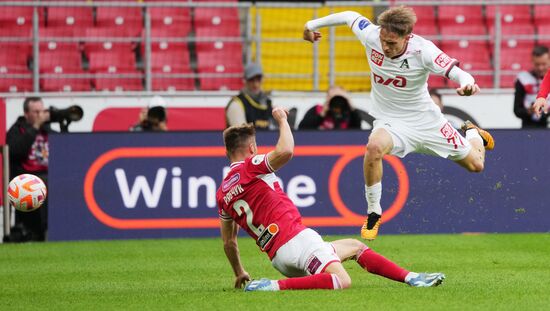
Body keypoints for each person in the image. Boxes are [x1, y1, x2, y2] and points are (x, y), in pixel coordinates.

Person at [303, 7, 495, 240]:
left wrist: (468, 85)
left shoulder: (423, 50)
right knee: (374, 148)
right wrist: (311, 25)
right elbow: (348, 16)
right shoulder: (372, 35)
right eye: (384, 40)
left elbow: (459, 74)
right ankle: (374, 212)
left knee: (476, 165)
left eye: (392, 43)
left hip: (426, 121)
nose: (385, 47)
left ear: (407, 37)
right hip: (390, 120)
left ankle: (473, 134)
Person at [217, 107, 445, 291]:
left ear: (227, 152)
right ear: (252, 147)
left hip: (278, 257)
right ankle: (272, 286)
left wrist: (239, 272)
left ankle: (413, 278)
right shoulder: (252, 166)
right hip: (296, 240)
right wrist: (282, 120)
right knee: (341, 280)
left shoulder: (222, 194)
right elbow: (285, 151)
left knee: (355, 247)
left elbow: (229, 242)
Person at [6, 97, 51, 242]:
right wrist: (35, 128)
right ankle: (38, 233)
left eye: (42, 111)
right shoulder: (17, 130)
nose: (40, 115)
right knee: (43, 184)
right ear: (26, 114)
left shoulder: (48, 130)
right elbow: (16, 150)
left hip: (49, 174)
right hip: (25, 178)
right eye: (35, 112)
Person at [225, 63, 273, 129]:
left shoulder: (267, 102)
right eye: (251, 80)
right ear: (245, 81)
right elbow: (241, 136)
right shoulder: (237, 104)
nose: (255, 84)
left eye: (258, 79)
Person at [513, 45, 550, 128]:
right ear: (532, 62)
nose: (540, 68)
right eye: (537, 64)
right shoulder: (523, 79)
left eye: (544, 64)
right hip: (527, 126)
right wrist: (529, 111)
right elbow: (517, 110)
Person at [298, 85, 364, 130]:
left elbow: (358, 131)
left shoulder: (349, 113)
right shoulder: (317, 109)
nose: (337, 102)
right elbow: (301, 129)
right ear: (327, 98)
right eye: (334, 97)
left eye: (340, 98)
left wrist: (351, 106)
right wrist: (322, 114)